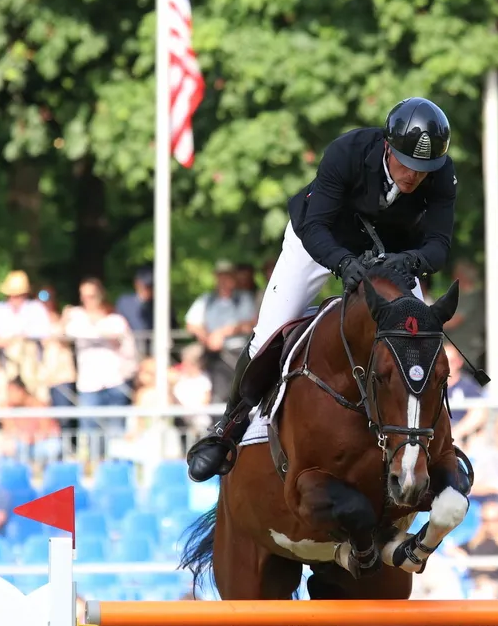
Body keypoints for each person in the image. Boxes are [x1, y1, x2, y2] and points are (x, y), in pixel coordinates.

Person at [186, 97, 457, 481]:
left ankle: (441, 447)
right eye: (406, 163)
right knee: (269, 330)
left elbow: (439, 245)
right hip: (322, 242)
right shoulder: (347, 153)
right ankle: (228, 428)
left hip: (390, 254)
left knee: (419, 340)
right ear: (387, 146)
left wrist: (412, 260)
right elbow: (315, 227)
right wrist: (343, 263)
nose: (413, 176)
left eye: (422, 169)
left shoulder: (441, 173)